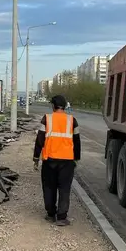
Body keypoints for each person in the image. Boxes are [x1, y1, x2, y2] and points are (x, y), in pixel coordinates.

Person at [33, 95, 81, 226]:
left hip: (50, 160)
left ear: (53, 106)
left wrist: (36, 157)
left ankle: (50, 214)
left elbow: (40, 140)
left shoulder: (47, 119)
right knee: (65, 188)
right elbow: (77, 141)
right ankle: (61, 217)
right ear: (64, 106)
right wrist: (76, 158)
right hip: (67, 161)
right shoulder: (72, 120)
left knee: (49, 187)